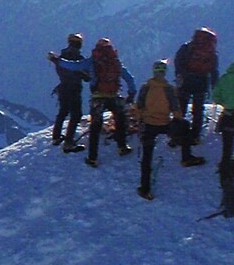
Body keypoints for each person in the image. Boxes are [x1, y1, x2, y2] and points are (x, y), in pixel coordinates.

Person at [132, 60, 204, 198]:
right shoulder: (169, 89)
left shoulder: (145, 87)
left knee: (147, 157)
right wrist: (179, 120)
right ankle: (186, 157)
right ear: (164, 72)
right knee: (184, 127)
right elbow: (176, 109)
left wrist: (139, 120)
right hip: (164, 123)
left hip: (148, 124)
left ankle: (144, 188)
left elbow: (139, 107)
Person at [85, 38, 133, 165]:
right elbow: (129, 77)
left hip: (98, 97)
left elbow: (75, 65)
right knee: (121, 119)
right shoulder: (114, 61)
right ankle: (122, 147)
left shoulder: (93, 61)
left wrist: (57, 60)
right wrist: (132, 92)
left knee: (95, 126)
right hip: (113, 95)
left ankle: (92, 157)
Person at [172, 27, 219, 143]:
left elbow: (177, 62)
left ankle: (176, 134)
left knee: (180, 107)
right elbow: (214, 71)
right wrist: (214, 87)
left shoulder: (187, 48)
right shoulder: (211, 52)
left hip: (185, 81)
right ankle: (195, 135)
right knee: (198, 110)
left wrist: (180, 75)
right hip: (201, 83)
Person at [46, 33, 91, 152]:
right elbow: (87, 77)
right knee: (76, 114)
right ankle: (68, 142)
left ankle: (56, 137)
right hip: (74, 89)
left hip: (63, 87)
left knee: (63, 111)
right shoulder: (78, 58)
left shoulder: (61, 57)